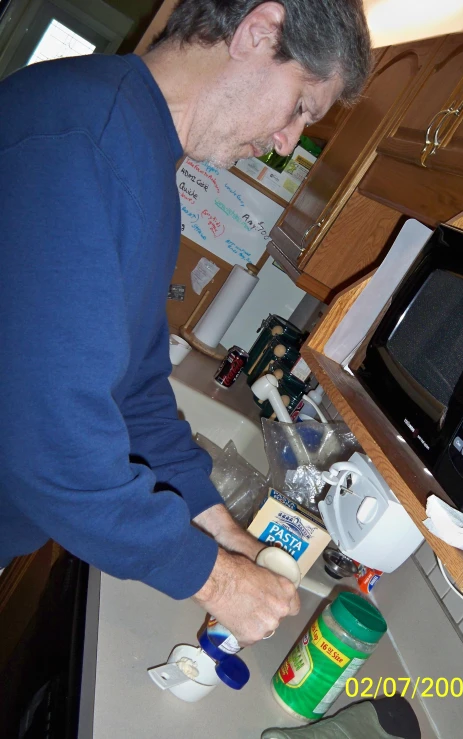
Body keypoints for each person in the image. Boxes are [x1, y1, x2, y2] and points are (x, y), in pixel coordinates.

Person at [0, 0, 371, 645]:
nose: (288, 142)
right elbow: (46, 432)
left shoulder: (140, 161)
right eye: (301, 108)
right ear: (259, 32)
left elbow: (137, 391)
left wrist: (217, 527)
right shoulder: (80, 139)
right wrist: (212, 578)